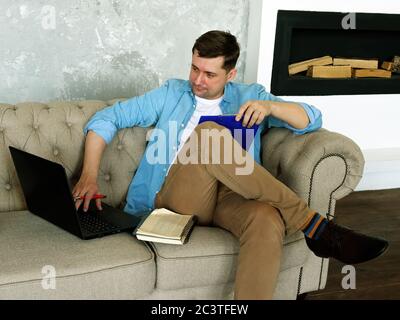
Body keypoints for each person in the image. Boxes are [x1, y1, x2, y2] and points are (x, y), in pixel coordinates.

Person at [73, 30, 388, 299]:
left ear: (231, 74)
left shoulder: (250, 96)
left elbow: (312, 119)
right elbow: (107, 118)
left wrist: (270, 108)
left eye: (209, 74)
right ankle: (315, 226)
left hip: (229, 198)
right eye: (194, 68)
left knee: (266, 218)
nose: (198, 80)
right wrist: (89, 176)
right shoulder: (171, 93)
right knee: (209, 134)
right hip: (175, 198)